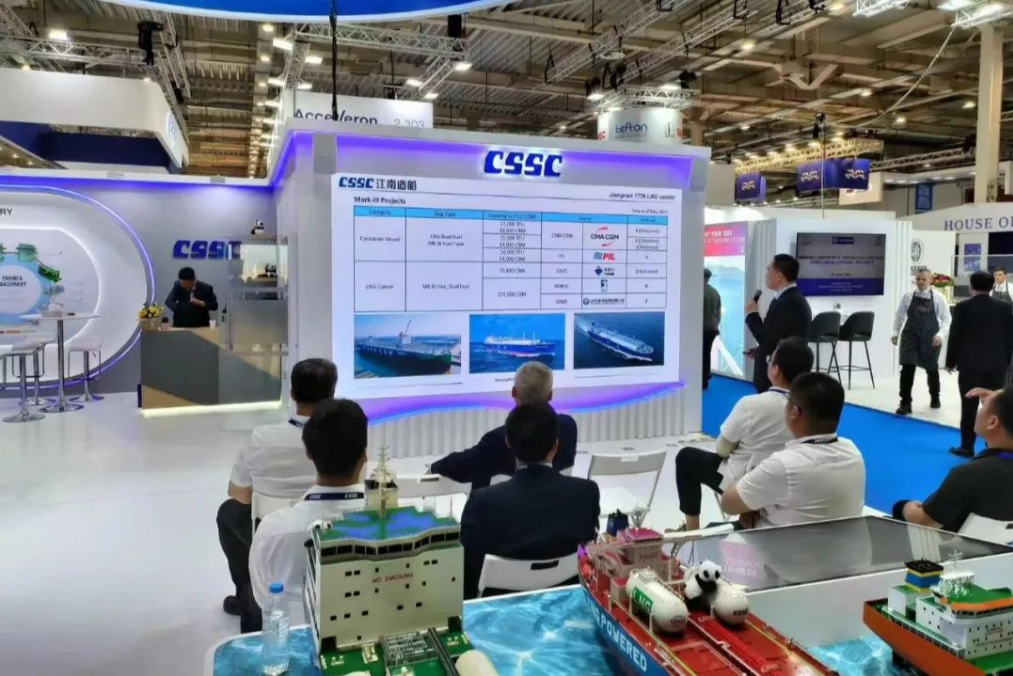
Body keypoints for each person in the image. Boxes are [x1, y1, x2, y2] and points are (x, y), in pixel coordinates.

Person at [216, 358, 338, 619]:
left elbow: (240, 494)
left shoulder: (261, 437)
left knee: (228, 512)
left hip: (269, 529)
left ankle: (247, 592)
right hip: (330, 528)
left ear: (292, 393)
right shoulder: (345, 438)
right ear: (332, 393)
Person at [246, 399, 368, 632]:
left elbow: (265, 601)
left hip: (295, 643)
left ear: (309, 453)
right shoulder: (397, 524)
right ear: (364, 456)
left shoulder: (272, 531)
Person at [460, 403, 600, 599]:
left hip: (497, 608)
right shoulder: (586, 493)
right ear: (556, 446)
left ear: (508, 443)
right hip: (565, 601)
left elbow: (467, 577)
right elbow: (588, 558)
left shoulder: (482, 502)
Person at [676, 337, 813, 531]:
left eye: (769, 360)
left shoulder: (751, 404)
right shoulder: (808, 411)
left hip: (743, 482)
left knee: (686, 458)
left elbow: (722, 449)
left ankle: (691, 532)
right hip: (787, 485)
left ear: (776, 370)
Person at [720, 372, 866, 529]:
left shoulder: (783, 465)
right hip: (843, 543)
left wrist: (753, 503)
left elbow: (728, 504)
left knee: (717, 539)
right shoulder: (853, 453)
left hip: (772, 543)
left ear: (794, 412)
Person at [430, 361, 577, 488]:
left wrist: (433, 467)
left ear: (514, 392)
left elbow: (462, 467)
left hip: (498, 511)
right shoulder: (568, 427)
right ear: (550, 395)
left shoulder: (497, 440)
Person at [894, 387, 1013, 532]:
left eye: (983, 407)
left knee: (899, 509)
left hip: (952, 544)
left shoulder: (969, 475)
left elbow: (924, 521)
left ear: (993, 422)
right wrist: (1002, 402)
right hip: (998, 543)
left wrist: (905, 507)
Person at [946, 270, 1013, 458]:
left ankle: (967, 446)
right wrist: (1006, 360)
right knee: (995, 406)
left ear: (971, 287)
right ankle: (994, 446)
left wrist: (950, 361)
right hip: (996, 364)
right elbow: (1009, 337)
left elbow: (955, 336)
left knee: (968, 405)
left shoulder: (963, 307)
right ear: (992, 287)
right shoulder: (1004, 307)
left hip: (970, 364)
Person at [745, 254, 813, 393]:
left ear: (779, 276)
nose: (766, 275)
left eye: (768, 270)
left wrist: (752, 315)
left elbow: (768, 341)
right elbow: (777, 337)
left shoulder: (788, 303)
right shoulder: (787, 299)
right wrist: (759, 351)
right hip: (778, 373)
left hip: (779, 378)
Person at [892, 268, 951, 416]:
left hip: (931, 338)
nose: (920, 282)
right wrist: (895, 333)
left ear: (930, 280)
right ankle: (905, 402)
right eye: (918, 279)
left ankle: (935, 396)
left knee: (931, 368)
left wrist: (940, 335)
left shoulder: (938, 297)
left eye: (924, 279)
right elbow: (899, 315)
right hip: (910, 336)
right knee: (907, 367)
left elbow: (947, 319)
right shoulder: (908, 296)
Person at [703, 269, 722, 390]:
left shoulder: (696, 291)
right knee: (706, 352)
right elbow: (718, 313)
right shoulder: (715, 292)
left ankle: (701, 379)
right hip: (712, 329)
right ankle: (705, 378)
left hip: (700, 329)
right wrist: (715, 324)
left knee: (699, 354)